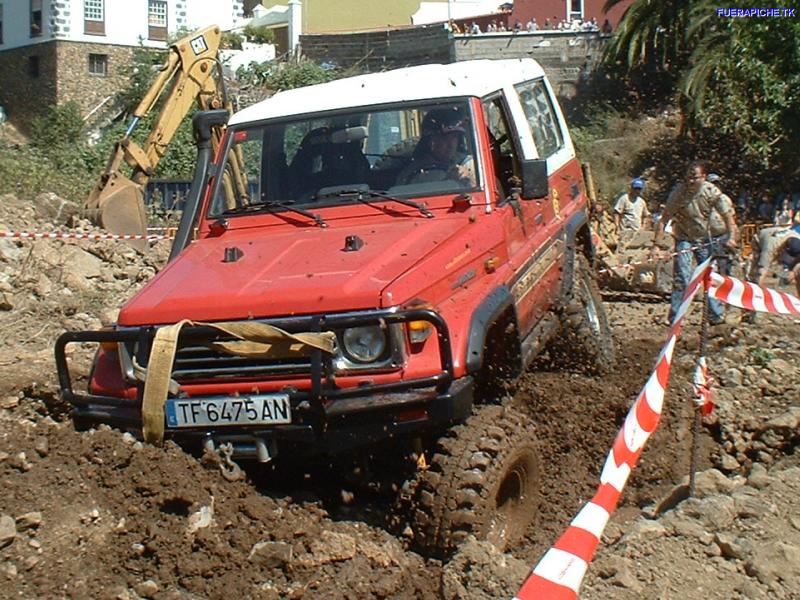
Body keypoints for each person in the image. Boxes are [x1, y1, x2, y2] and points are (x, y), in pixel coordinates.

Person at [655, 160, 739, 325]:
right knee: (682, 276)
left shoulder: (711, 191)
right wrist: (656, 245)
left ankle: (715, 315)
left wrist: (732, 237)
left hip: (706, 239)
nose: (691, 181)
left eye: (695, 177)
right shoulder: (678, 193)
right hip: (685, 237)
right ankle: (676, 316)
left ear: (704, 177)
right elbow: (664, 219)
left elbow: (728, 216)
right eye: (689, 177)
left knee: (710, 276)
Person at [397, 107, 476, 188]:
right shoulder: (414, 175)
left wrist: (470, 178)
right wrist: (447, 182)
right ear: (430, 140)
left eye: (454, 137)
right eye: (445, 138)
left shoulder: (469, 163)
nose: (451, 145)